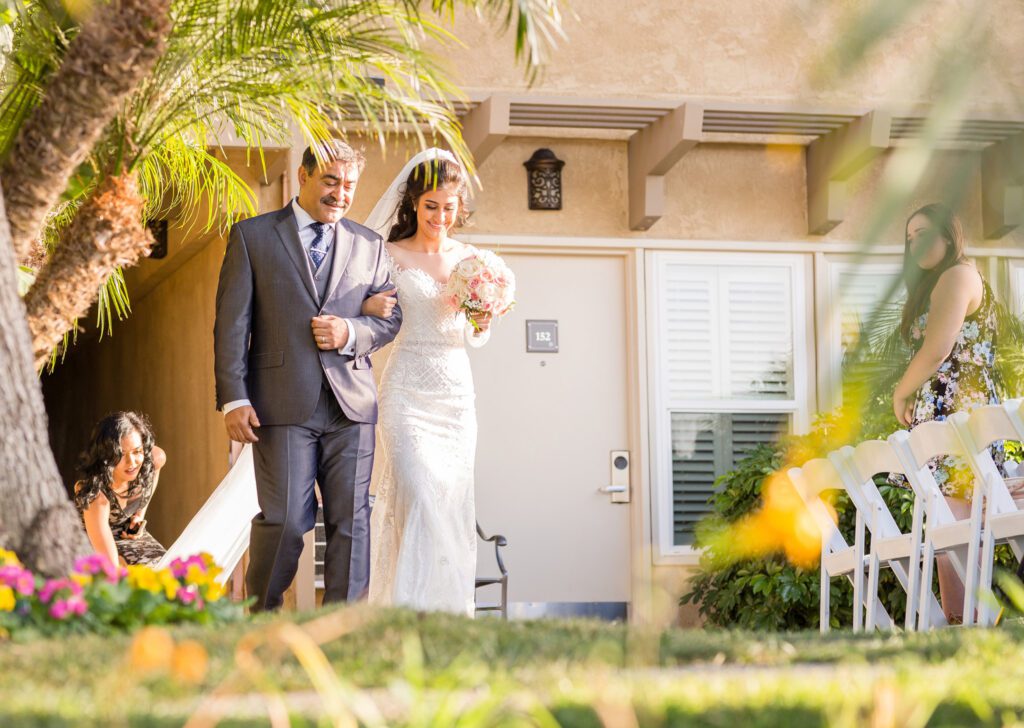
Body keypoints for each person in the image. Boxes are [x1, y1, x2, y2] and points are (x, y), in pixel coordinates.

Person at [214, 139, 402, 611]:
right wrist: (234, 398)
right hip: (281, 403)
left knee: (351, 520)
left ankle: (342, 625)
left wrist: (350, 330)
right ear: (303, 177)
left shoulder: (369, 244)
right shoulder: (253, 237)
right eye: (331, 181)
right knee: (284, 520)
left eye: (350, 185)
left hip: (351, 405)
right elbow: (232, 324)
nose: (341, 193)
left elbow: (389, 319)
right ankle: (262, 615)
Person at [363, 148, 492, 615]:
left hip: (456, 396)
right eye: (431, 205)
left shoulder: (473, 260)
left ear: (460, 208)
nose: (439, 215)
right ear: (414, 203)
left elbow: (479, 334)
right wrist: (370, 309)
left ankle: (450, 614)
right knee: (417, 493)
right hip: (406, 392)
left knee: (452, 501)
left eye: (448, 206)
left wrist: (483, 315)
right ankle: (406, 612)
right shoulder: (388, 254)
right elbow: (364, 308)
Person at [891, 202, 1006, 622]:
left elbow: (938, 349)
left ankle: (972, 619)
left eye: (922, 232)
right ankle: (963, 621)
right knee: (947, 524)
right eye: (908, 237)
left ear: (947, 235)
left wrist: (899, 394)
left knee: (957, 523)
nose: (914, 243)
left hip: (961, 407)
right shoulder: (942, 281)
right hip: (942, 409)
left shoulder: (959, 275)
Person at [74, 412, 167, 566]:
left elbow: (155, 467)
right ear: (106, 455)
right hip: (90, 543)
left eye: (137, 451)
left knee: (167, 569)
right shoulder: (96, 495)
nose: (132, 463)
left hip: (125, 536)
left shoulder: (153, 460)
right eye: (121, 454)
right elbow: (111, 566)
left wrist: (138, 516)